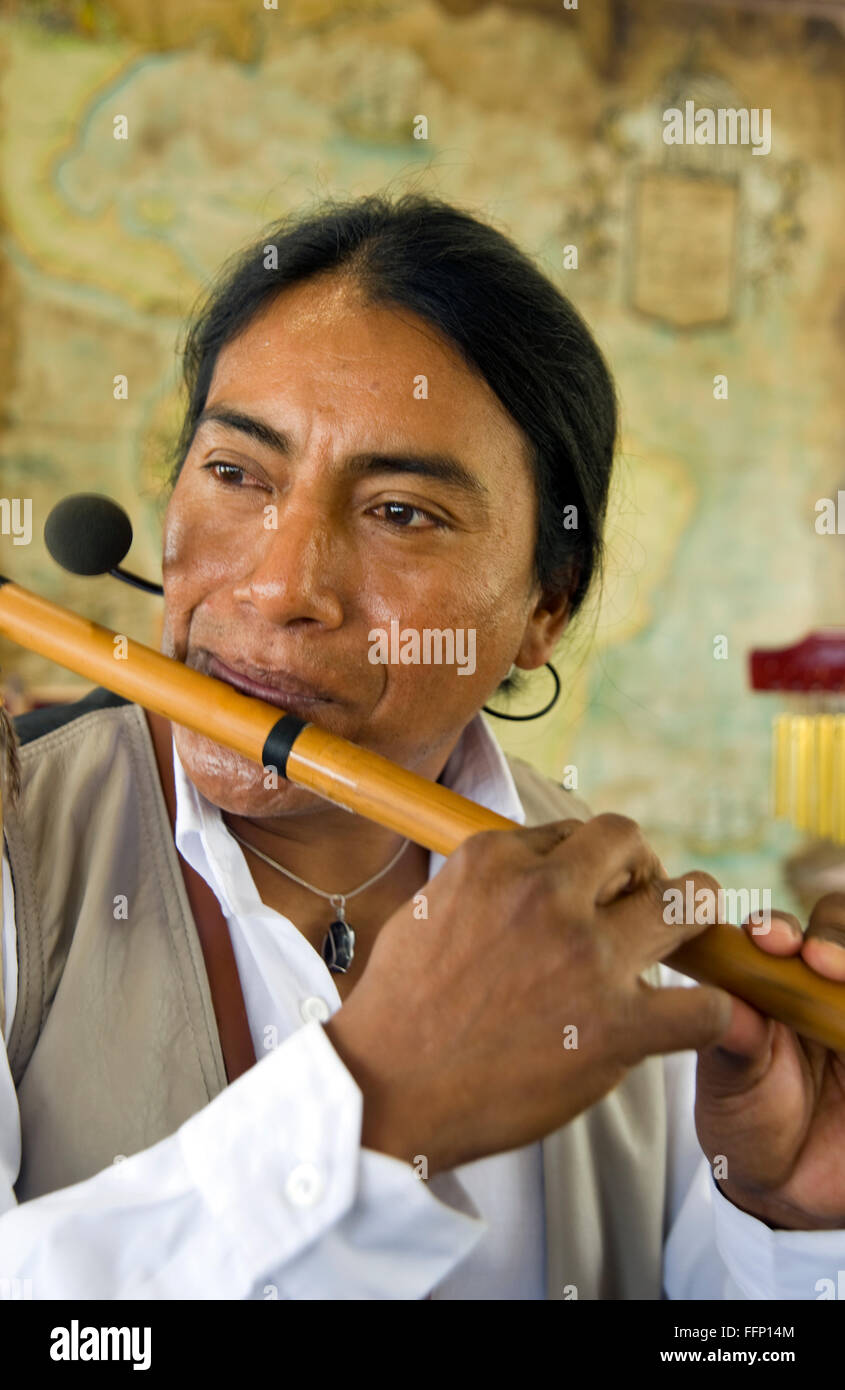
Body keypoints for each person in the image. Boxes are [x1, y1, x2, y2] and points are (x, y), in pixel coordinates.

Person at [0, 192, 843, 1300]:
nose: (278, 585)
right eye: (236, 473)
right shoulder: (21, 852)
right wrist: (377, 1108)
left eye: (399, 512)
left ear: (545, 607)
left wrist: (780, 1222)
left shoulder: (625, 936)